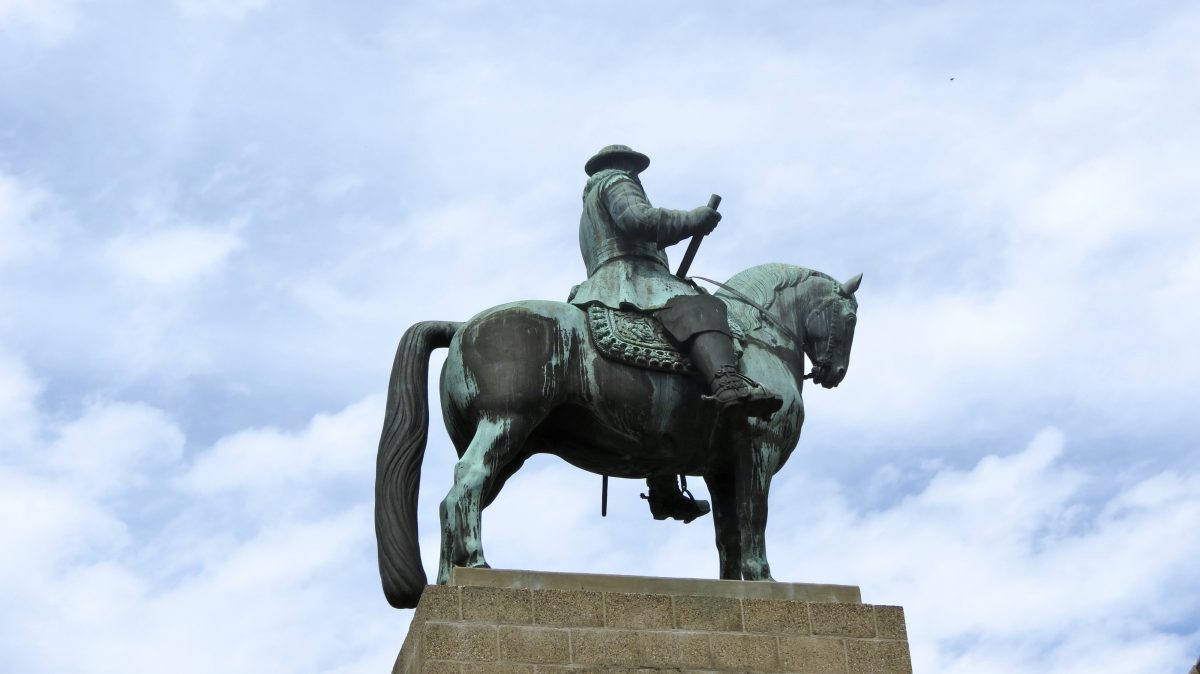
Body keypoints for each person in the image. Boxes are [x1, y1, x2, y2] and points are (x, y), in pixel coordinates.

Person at [569, 144, 783, 522]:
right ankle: (728, 383)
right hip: (631, 280)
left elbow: (638, 230)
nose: (637, 176)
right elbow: (638, 219)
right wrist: (692, 220)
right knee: (704, 309)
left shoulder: (588, 204)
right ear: (628, 167)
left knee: (662, 376)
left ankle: (664, 487)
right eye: (637, 170)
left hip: (619, 279)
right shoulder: (617, 181)